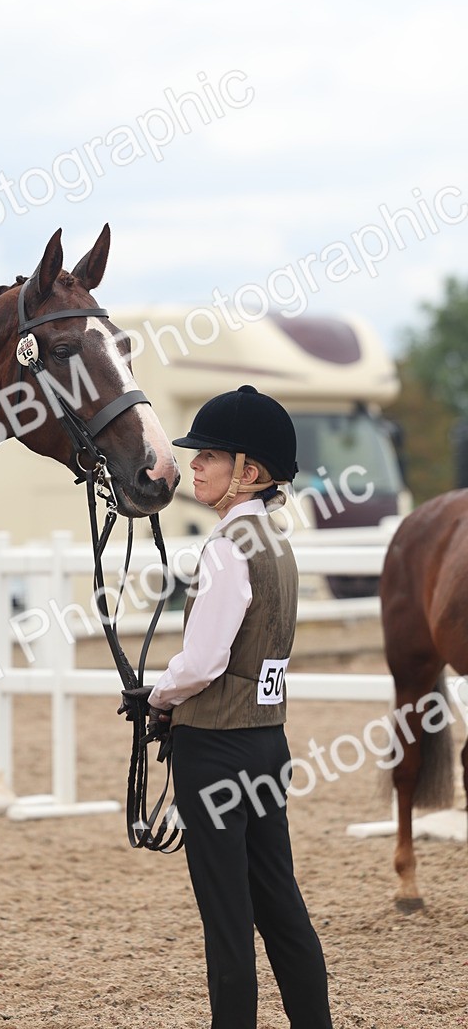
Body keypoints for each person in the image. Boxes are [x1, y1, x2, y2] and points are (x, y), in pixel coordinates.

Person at [130, 384, 333, 1029]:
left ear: (248, 472)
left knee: (226, 921)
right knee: (280, 907)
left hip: (215, 752)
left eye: (208, 457)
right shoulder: (279, 544)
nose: (193, 467)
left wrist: (154, 696)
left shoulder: (224, 548)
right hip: (267, 743)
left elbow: (203, 662)